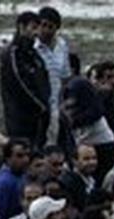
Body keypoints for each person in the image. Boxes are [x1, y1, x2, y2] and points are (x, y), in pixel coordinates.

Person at [0, 12, 49, 145]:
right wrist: (40, 106)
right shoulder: (12, 54)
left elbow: (44, 80)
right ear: (21, 27)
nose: (37, 33)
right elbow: (19, 84)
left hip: (39, 118)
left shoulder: (34, 54)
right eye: (33, 28)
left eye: (38, 28)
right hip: (19, 117)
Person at [34, 6, 71, 149]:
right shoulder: (33, 47)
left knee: (52, 143)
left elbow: (66, 76)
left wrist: (64, 103)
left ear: (56, 28)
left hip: (56, 104)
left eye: (50, 27)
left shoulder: (62, 45)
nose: (46, 30)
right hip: (38, 104)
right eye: (43, 25)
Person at [0, 139, 31, 219]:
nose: (25, 159)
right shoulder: (3, 183)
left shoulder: (23, 176)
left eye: (27, 155)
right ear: (8, 158)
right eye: (20, 156)